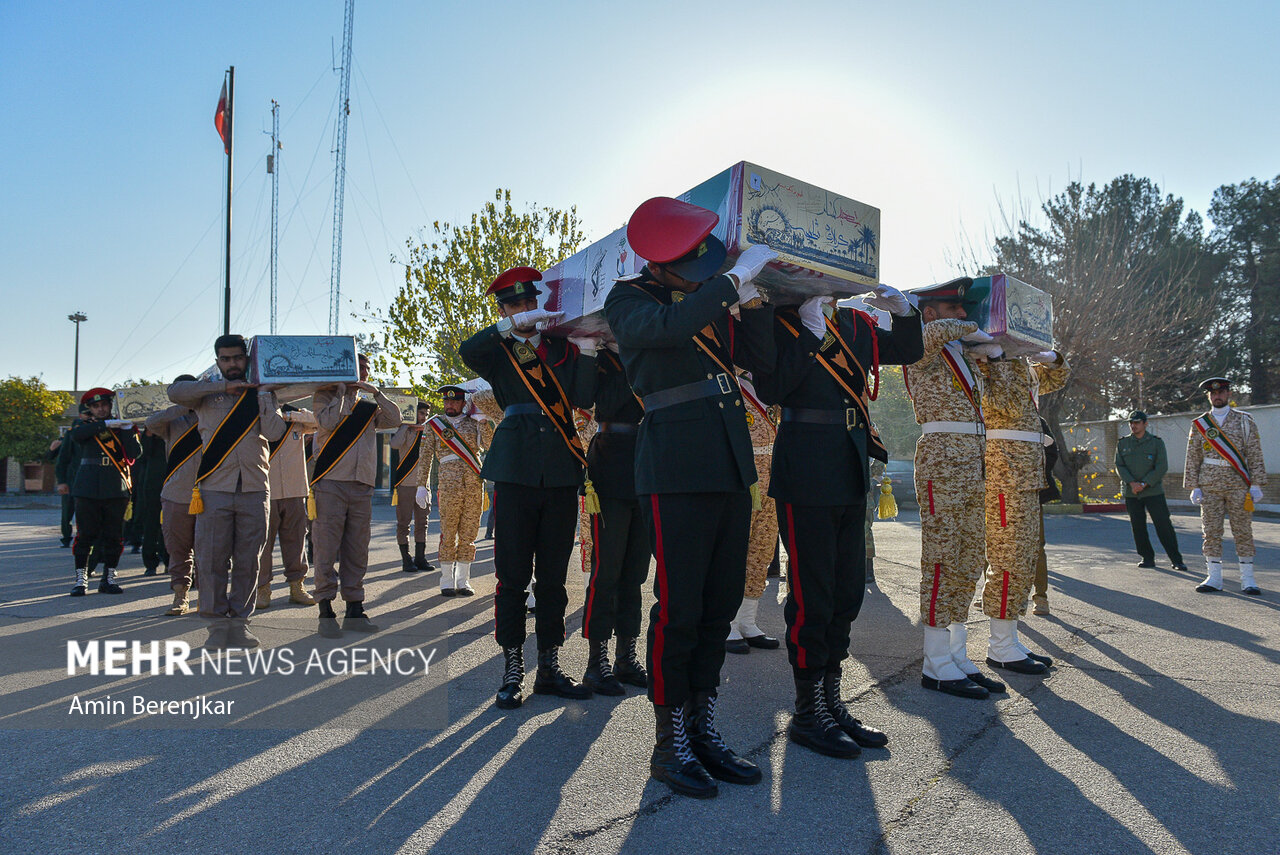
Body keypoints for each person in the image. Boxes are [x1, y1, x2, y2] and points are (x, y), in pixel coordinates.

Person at [603, 196, 776, 799]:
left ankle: (703, 726)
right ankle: (669, 738)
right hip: (674, 466)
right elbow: (666, 330)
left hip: (729, 465)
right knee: (678, 607)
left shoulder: (712, 302)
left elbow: (766, 367)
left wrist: (758, 305)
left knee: (718, 602)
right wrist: (730, 283)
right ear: (662, 264)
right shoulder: (629, 300)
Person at [757, 283, 922, 758]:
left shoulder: (852, 322)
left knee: (847, 589)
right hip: (805, 463)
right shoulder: (779, 319)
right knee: (813, 594)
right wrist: (807, 329)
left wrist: (905, 312)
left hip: (849, 463)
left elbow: (906, 350)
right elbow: (771, 387)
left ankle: (831, 700)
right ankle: (809, 712)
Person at [460, 266, 600, 710]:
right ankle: (513, 666)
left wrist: (590, 350)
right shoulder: (499, 350)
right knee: (513, 577)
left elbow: (582, 397)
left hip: (559, 473)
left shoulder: (561, 349)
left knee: (554, 579)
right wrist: (507, 329)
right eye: (514, 305)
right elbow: (469, 350)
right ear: (503, 310)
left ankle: (551, 666)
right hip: (516, 470)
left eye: (527, 302)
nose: (524, 309)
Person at [904, 278, 1003, 701]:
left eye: (964, 310)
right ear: (929, 312)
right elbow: (931, 335)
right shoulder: (918, 344)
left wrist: (990, 347)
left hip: (972, 461)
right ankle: (934, 659)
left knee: (970, 554)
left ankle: (956, 653)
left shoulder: (959, 357)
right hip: (942, 459)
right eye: (953, 308)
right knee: (942, 557)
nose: (963, 315)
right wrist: (974, 331)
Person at [168, 336, 288, 648]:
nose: (232, 364)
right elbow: (175, 392)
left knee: (249, 561)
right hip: (213, 489)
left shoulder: (262, 393)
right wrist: (222, 387)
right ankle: (216, 627)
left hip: (254, 488)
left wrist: (263, 396)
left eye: (237, 358)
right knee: (211, 560)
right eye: (226, 359)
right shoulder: (205, 394)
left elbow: (274, 433)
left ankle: (240, 623)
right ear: (217, 361)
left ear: (247, 360)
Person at [977, 346, 1070, 675]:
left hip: (1028, 475)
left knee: (1024, 558)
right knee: (1006, 558)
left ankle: (1009, 638)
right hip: (1005, 474)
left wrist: (1051, 358)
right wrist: (1000, 359)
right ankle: (999, 644)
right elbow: (1001, 402)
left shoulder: (1021, 368)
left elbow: (1058, 377)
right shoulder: (986, 365)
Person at [310, 354, 403, 635]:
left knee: (357, 549)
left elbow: (395, 418)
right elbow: (327, 423)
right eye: (359, 368)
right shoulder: (324, 396)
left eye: (366, 369)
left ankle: (354, 609)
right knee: (326, 548)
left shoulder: (368, 406)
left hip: (362, 484)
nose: (363, 373)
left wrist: (377, 393)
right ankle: (325, 609)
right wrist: (341, 391)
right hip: (331, 483)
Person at [580, 343, 651, 693]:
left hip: (648, 461)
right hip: (610, 464)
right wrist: (631, 355)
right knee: (607, 569)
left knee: (635, 572)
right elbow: (603, 405)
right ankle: (597, 662)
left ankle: (626, 656)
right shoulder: (601, 359)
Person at [1184, 377, 1267, 594]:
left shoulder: (1244, 421)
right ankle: (1214, 577)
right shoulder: (1200, 424)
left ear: (1229, 394)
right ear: (1209, 396)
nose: (1217, 396)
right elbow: (1193, 456)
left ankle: (1248, 579)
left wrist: (1257, 483)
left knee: (1242, 531)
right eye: (1213, 394)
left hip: (1238, 485)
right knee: (1210, 531)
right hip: (1209, 486)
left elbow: (1255, 454)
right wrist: (1194, 486)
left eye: (1220, 392)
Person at [416, 386, 491, 596]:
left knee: (469, 532)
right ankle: (446, 579)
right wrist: (422, 484)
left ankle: (463, 580)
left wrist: (484, 421)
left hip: (474, 483)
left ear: (463, 403)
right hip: (449, 484)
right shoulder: (435, 424)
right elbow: (425, 455)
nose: (449, 405)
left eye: (454, 401)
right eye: (446, 402)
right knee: (448, 531)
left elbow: (489, 444)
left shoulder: (474, 422)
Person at [725, 372, 780, 655]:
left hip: (772, 482)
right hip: (743, 481)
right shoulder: (727, 385)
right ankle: (729, 623)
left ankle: (748, 620)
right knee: (735, 553)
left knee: (761, 552)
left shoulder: (766, 383)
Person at [68, 388, 142, 597]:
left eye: (104, 405)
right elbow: (76, 436)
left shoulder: (124, 428)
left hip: (115, 488)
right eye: (96, 406)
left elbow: (135, 453)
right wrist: (105, 425)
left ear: (111, 406)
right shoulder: (87, 427)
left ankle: (109, 578)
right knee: (85, 536)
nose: (101, 409)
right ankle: (81, 579)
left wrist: (127, 428)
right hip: (88, 488)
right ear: (90, 409)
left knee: (113, 536)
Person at [145, 376, 202, 616]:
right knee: (178, 549)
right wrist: (183, 406)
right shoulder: (172, 419)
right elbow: (151, 422)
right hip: (177, 493)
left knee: (210, 549)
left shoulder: (213, 414)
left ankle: (209, 597)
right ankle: (181, 594)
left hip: (212, 491)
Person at [256, 403, 319, 609]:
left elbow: (319, 421)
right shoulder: (260, 414)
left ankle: (297, 586)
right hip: (266, 489)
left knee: (296, 541)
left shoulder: (296, 417)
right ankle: (262, 588)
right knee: (263, 545)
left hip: (295, 489)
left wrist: (289, 415)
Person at [1114, 410, 1186, 573]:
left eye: (1137, 422)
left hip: (1152, 491)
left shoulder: (1156, 443)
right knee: (1138, 526)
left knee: (1163, 525)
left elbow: (1161, 467)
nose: (1133, 425)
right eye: (1131, 423)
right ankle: (1147, 558)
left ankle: (1176, 559)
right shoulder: (1123, 443)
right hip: (1132, 492)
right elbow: (1119, 465)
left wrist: (1144, 483)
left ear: (1145, 424)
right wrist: (1132, 483)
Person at [391, 401, 435, 575]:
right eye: (420, 413)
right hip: (406, 484)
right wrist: (406, 426)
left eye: (425, 414)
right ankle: (406, 559)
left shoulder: (428, 432)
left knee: (422, 523)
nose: (423, 417)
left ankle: (420, 557)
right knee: (404, 523)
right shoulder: (406, 431)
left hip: (424, 485)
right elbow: (394, 444)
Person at [1031, 417, 1061, 616]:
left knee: (1036, 546)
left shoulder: (1036, 420)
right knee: (993, 546)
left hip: (1032, 492)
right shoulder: (990, 415)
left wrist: (1034, 476)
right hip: (997, 492)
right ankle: (992, 594)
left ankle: (1041, 597)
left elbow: (1051, 451)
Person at [135, 424, 168, 575]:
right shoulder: (149, 434)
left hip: (173, 481)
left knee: (171, 525)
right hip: (152, 484)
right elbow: (141, 455)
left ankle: (169, 560)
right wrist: (149, 432)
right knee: (151, 524)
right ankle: (150, 563)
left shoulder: (176, 428)